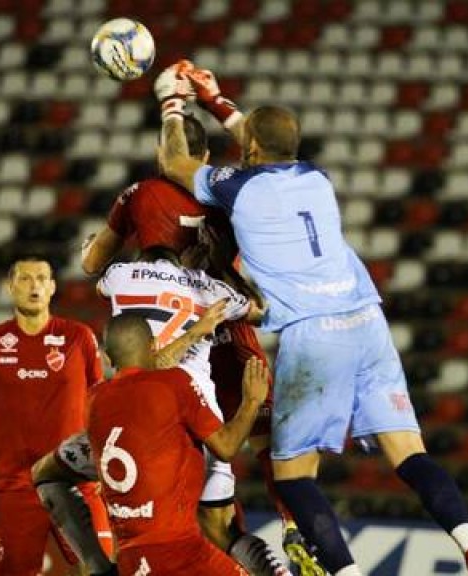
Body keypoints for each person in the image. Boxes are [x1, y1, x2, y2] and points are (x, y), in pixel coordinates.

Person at [153, 60, 468, 576]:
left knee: (292, 477)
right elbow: (263, 140)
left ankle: (346, 573)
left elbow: (175, 164)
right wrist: (218, 98)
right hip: (368, 322)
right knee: (409, 453)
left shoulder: (237, 186)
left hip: (314, 334)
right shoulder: (316, 177)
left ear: (249, 151)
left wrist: (173, 103)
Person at [80, 112, 321, 574]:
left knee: (67, 480)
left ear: (160, 152)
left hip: (141, 392)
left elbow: (94, 266)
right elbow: (258, 303)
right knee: (239, 474)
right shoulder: (226, 194)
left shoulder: (137, 201)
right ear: (205, 157)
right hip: (208, 356)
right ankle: (292, 532)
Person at [0, 255, 112, 575]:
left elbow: (100, 402)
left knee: (96, 568)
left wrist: (104, 461)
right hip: (17, 484)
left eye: (42, 279)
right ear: (10, 287)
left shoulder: (79, 337)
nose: (35, 286)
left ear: (53, 288)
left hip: (74, 477)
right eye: (26, 279)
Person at [87, 313, 269, 574]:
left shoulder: (94, 401)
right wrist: (251, 402)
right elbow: (226, 447)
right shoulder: (174, 384)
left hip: (131, 557)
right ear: (154, 345)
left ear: (107, 358)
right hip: (180, 551)